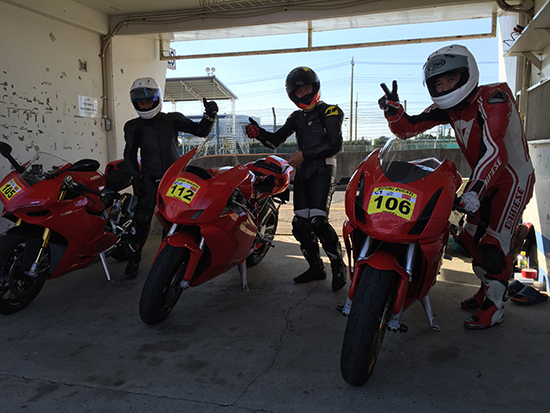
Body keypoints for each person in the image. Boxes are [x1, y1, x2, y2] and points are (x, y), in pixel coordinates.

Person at [378, 44, 535, 329]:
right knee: (468, 238)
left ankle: (496, 306)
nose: (445, 87)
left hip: (512, 179)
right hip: (483, 179)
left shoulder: (494, 97)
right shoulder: (448, 109)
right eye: (438, 83)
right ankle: (488, 287)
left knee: (492, 245)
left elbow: (495, 151)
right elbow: (408, 129)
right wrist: (394, 112)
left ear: (468, 72)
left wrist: (474, 190)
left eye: (451, 79)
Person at [244, 66, 346, 291]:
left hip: (323, 169)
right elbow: (276, 140)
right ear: (292, 95)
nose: (303, 94)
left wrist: (304, 154)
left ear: (315, 87)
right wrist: (258, 133)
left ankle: (339, 266)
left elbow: (335, 144)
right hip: (303, 171)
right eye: (298, 92)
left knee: (318, 222)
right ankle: (316, 268)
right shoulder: (296, 117)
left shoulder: (330, 111)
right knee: (300, 226)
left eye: (307, 89)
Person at [123, 77, 218, 279]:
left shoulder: (172, 119)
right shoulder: (133, 126)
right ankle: (133, 259)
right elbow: (129, 154)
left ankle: (168, 260)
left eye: (148, 101)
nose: (145, 106)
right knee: (141, 219)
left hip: (175, 178)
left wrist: (210, 116)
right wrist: (134, 178)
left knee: (176, 218)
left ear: (157, 99)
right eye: (141, 103)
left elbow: (200, 131)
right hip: (149, 178)